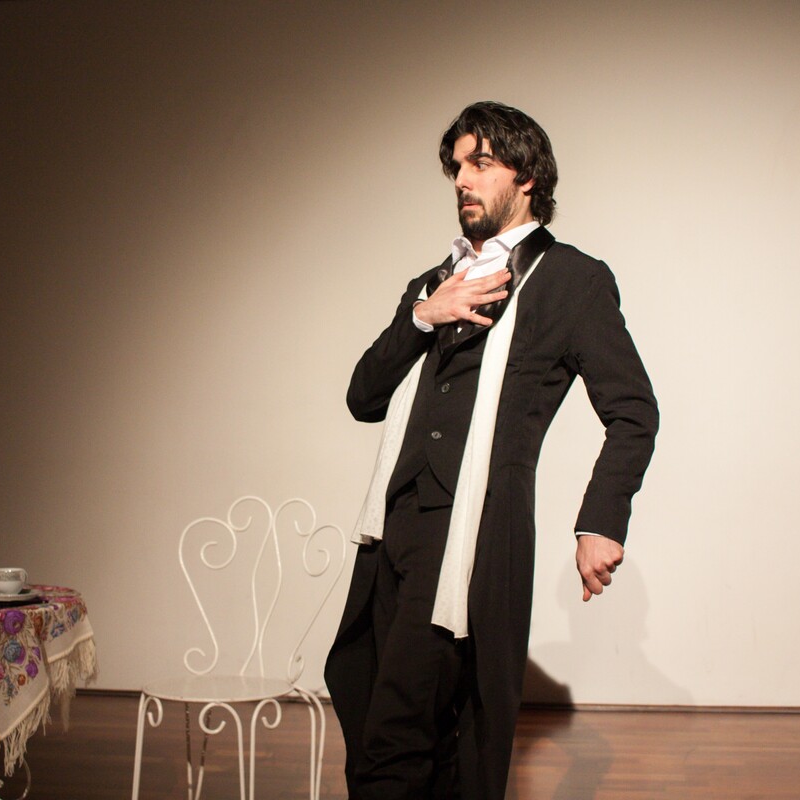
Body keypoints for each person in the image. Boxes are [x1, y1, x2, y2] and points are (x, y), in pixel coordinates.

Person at [324, 101, 659, 800]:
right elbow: (363, 397)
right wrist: (424, 316)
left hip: (473, 535)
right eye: (457, 166)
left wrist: (601, 521)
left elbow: (633, 411)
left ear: (527, 176)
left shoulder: (571, 281)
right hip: (391, 534)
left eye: (481, 163)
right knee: (376, 705)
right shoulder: (433, 284)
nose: (462, 180)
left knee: (398, 736)